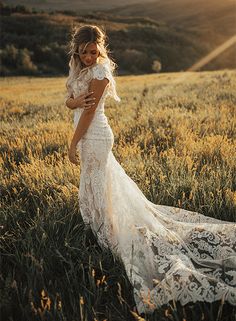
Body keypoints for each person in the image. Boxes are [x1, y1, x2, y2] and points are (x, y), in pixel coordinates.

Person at [64, 24, 236, 315]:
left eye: (93, 52)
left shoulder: (100, 73)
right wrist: (75, 101)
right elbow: (70, 102)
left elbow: (90, 112)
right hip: (87, 136)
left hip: (95, 136)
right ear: (77, 51)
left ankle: (111, 238)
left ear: (100, 48)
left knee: (98, 186)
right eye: (83, 53)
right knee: (98, 186)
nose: (89, 57)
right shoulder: (79, 69)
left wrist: (72, 144)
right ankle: (102, 231)